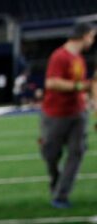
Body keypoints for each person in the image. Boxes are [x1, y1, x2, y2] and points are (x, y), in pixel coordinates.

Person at [40, 22, 95, 210]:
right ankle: (56, 182)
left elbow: (82, 87)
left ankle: (62, 194)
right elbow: (51, 83)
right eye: (91, 36)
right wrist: (81, 87)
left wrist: (90, 102)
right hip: (55, 114)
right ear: (84, 35)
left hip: (78, 113)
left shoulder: (79, 59)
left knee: (77, 152)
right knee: (51, 155)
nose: (93, 40)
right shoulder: (60, 56)